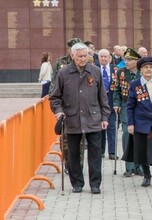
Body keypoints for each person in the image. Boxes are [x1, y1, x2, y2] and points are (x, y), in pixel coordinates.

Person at [50, 42, 111, 194]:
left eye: (85, 56)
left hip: (93, 118)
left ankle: (95, 184)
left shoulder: (95, 71)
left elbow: (103, 97)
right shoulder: (63, 73)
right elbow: (55, 97)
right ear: (72, 56)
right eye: (80, 56)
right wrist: (58, 111)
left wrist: (105, 117)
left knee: (95, 153)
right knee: (73, 153)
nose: (83, 59)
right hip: (72, 119)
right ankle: (77, 183)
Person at [127, 56, 152, 187]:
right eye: (145, 68)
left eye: (151, 67)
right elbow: (130, 106)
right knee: (142, 149)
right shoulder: (135, 84)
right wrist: (131, 123)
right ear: (141, 70)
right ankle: (147, 175)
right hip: (140, 122)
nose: (148, 70)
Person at [49, 37, 85, 174]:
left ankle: (78, 166)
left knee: (80, 141)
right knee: (65, 141)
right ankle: (68, 164)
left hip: (80, 108)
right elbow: (54, 86)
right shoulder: (61, 63)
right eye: (72, 47)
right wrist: (57, 108)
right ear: (69, 50)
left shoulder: (84, 63)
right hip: (65, 109)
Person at [113, 48, 143, 177]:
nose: (127, 62)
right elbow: (117, 90)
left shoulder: (142, 73)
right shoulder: (121, 72)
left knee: (140, 134)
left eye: (130, 60)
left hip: (141, 106)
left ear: (136, 61)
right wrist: (116, 103)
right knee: (127, 133)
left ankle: (139, 166)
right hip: (126, 105)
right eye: (126, 59)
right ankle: (129, 166)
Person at [98, 48, 119, 160]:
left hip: (111, 103)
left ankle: (112, 152)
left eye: (105, 56)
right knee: (100, 129)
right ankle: (100, 151)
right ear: (98, 58)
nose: (103, 58)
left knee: (111, 128)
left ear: (109, 58)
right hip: (98, 104)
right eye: (101, 56)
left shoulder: (115, 70)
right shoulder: (94, 69)